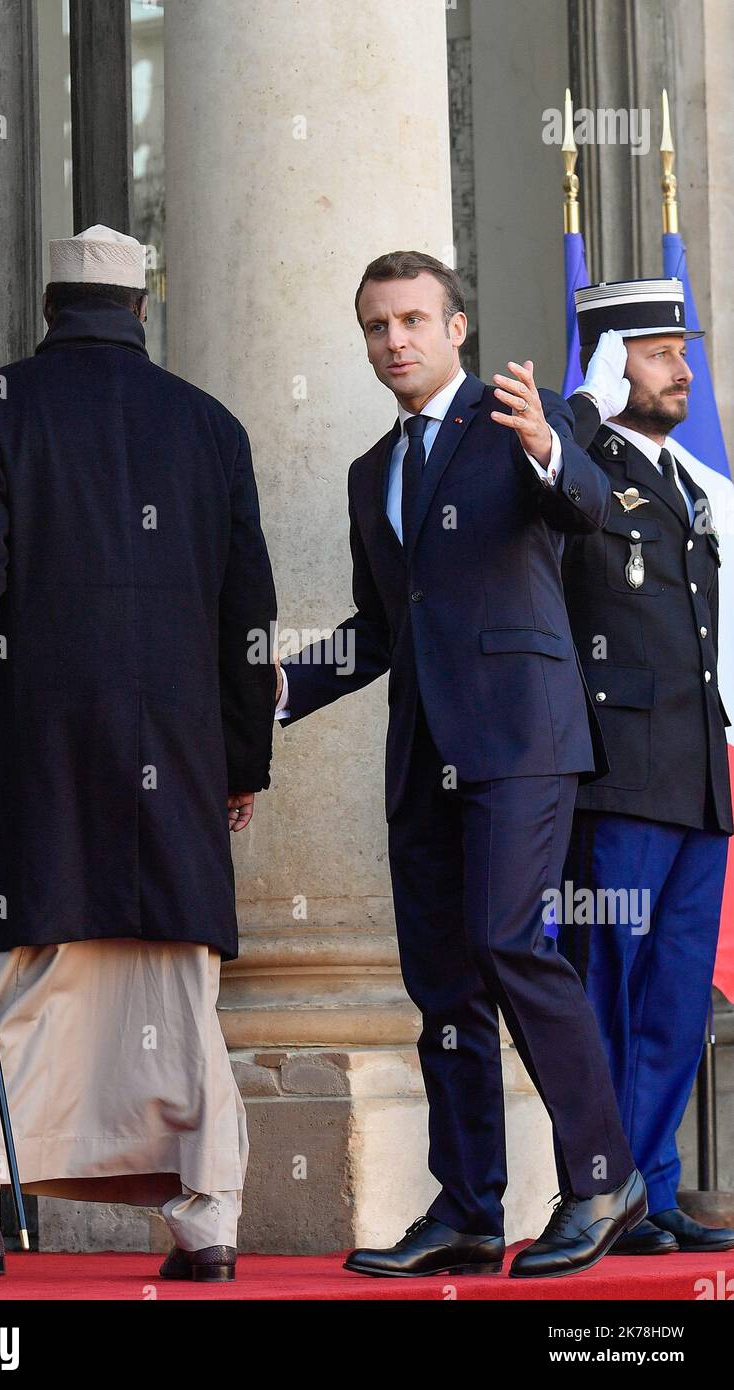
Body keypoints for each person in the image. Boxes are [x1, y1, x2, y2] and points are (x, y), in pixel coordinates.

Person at [0, 224, 277, 1284]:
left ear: (50, 306)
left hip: (42, 735)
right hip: (177, 740)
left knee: (26, 973)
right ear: (141, 309)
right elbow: (246, 615)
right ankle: (205, 1225)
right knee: (174, 982)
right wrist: (240, 757)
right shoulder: (210, 426)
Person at [274, 250, 646, 1279]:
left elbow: (587, 510)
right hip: (422, 751)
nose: (391, 340)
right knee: (442, 981)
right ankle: (470, 1207)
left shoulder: (518, 419)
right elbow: (382, 627)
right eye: (373, 326)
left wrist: (545, 449)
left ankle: (604, 1177)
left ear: (455, 327)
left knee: (508, 943)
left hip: (520, 739)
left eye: (409, 320)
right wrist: (272, 691)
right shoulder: (369, 472)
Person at [556, 279, 734, 1255]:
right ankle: (597, 1187)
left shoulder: (682, 484)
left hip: (695, 778)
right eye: (660, 350)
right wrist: (578, 406)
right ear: (612, 358)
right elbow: (531, 494)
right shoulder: (579, 463)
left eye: (681, 349)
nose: (681, 369)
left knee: (669, 997)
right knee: (605, 987)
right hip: (615, 777)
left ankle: (650, 1187)